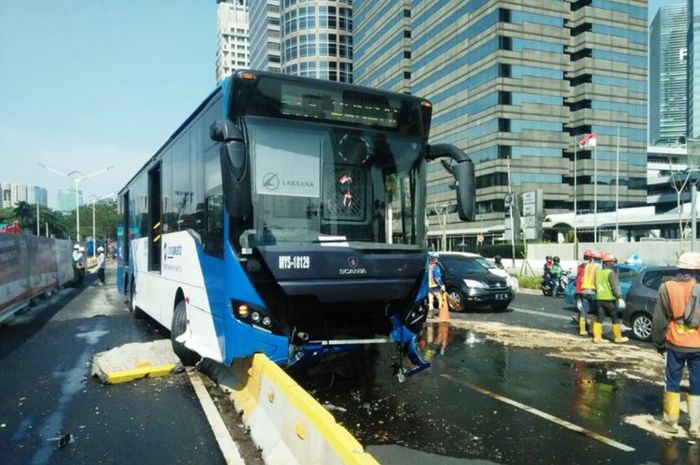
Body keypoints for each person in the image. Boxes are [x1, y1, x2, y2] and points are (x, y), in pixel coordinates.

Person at [652, 251, 700, 436]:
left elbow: (659, 319)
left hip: (675, 343)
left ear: (679, 267)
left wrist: (658, 343)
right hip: (698, 345)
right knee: (697, 382)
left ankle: (670, 423)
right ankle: (695, 425)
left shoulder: (666, 287)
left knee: (672, 380)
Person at [592, 253, 627, 344]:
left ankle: (597, 337)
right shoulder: (611, 273)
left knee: (600, 318)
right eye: (612, 262)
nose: (613, 264)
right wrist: (619, 297)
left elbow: (594, 286)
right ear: (609, 263)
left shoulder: (598, 272)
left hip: (599, 299)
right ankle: (617, 337)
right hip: (609, 300)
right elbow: (615, 287)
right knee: (615, 318)